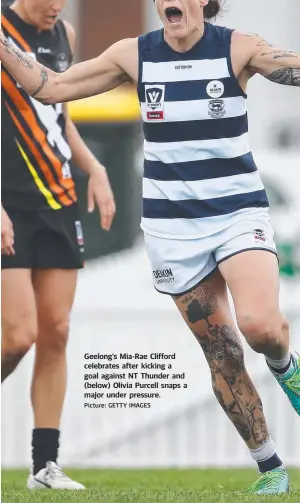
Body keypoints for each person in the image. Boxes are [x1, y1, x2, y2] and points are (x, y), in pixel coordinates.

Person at [1, 0, 300, 494]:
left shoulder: (239, 48)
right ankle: (270, 467)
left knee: (258, 326)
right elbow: (49, 86)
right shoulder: (133, 54)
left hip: (236, 214)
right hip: (172, 229)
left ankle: (284, 364)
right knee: (223, 353)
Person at [1, 0, 116, 491]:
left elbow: (57, 116)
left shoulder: (64, 32)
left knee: (57, 330)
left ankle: (44, 467)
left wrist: (97, 169)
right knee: (17, 334)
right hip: (8, 202)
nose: (57, 6)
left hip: (58, 198)